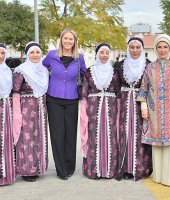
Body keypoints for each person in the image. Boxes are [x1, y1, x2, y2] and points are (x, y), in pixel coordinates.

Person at [137, 34, 170, 186]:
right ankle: (158, 177)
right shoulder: (150, 67)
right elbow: (144, 88)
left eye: (165, 47)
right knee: (156, 145)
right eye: (159, 47)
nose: (162, 50)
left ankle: (169, 179)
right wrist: (144, 107)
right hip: (154, 111)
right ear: (156, 48)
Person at [42, 29, 87, 180]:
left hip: (72, 100)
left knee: (70, 135)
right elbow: (39, 71)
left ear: (75, 41)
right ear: (61, 40)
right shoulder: (51, 56)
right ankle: (61, 170)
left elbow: (86, 76)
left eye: (71, 39)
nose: (68, 41)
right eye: (65, 38)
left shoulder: (79, 58)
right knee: (57, 135)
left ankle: (70, 167)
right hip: (53, 99)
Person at [80, 43, 120, 179]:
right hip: (93, 108)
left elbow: (118, 92)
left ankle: (109, 170)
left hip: (111, 108)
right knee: (93, 136)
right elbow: (84, 92)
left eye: (107, 53)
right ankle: (94, 170)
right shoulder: (90, 71)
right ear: (97, 54)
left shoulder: (114, 71)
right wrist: (84, 111)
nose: (104, 55)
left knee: (111, 136)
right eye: (101, 52)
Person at [115, 37, 152, 180]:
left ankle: (139, 168)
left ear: (142, 49)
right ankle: (126, 168)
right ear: (128, 49)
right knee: (124, 133)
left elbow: (151, 86)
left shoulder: (148, 65)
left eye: (138, 47)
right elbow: (116, 85)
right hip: (124, 102)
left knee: (140, 134)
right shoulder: (120, 65)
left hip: (141, 104)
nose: (135, 50)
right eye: (132, 47)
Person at [13, 42, 49, 182]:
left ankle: (38, 167)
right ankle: (26, 170)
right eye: (32, 52)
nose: (35, 55)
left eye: (37, 52)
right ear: (27, 54)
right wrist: (17, 113)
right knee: (26, 137)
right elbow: (16, 92)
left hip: (40, 107)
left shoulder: (44, 71)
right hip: (26, 108)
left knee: (39, 136)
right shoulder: (21, 70)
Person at [0, 43, 15, 186]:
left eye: (2, 53)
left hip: (5, 107)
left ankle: (6, 175)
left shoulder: (8, 71)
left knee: (5, 139)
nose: (0, 56)